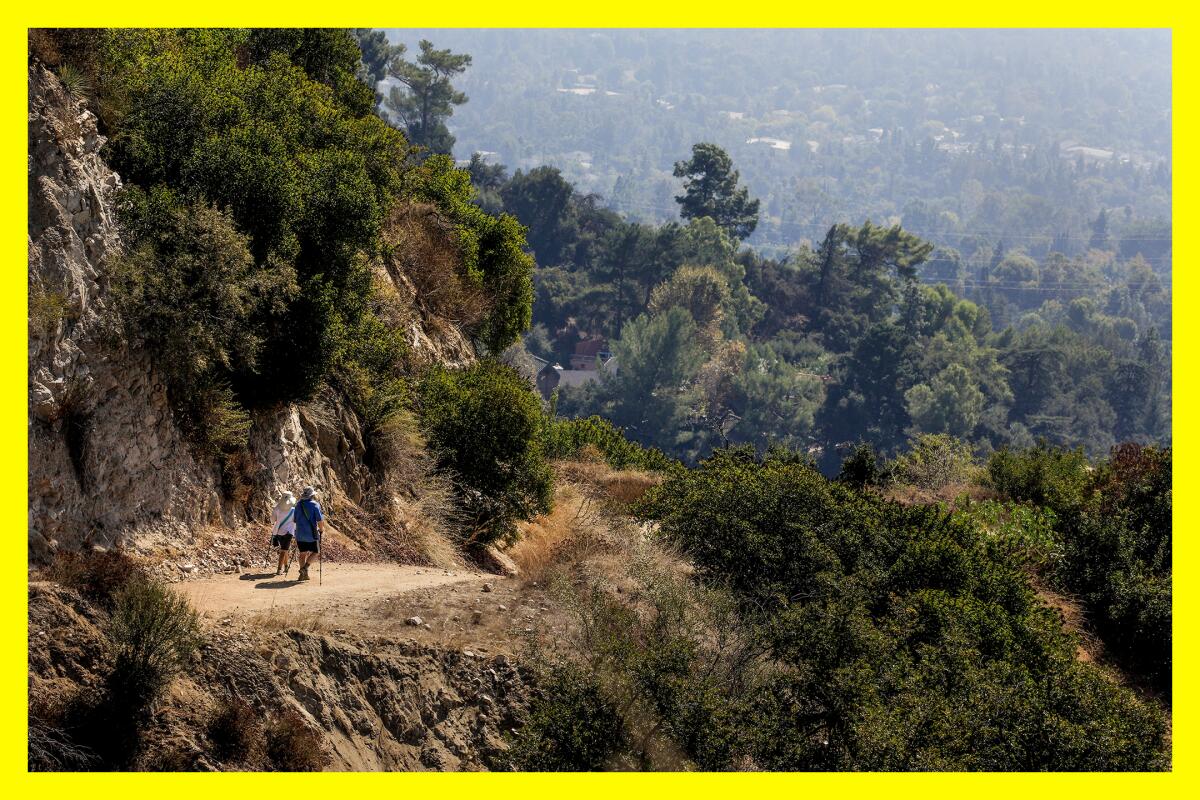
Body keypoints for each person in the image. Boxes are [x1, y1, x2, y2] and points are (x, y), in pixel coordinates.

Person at [292, 485, 324, 582]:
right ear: (311, 496)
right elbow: (319, 520)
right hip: (311, 534)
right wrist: (321, 529)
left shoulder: (298, 505)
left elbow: (294, 519)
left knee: (302, 554)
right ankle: (304, 568)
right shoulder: (315, 505)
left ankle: (303, 575)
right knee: (316, 552)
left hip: (300, 533)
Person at [270, 491, 296, 577]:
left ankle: (286, 566)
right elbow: (296, 521)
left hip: (278, 532)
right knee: (284, 550)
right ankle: (279, 569)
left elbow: (272, 520)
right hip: (289, 532)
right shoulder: (293, 510)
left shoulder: (277, 508)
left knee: (285, 549)